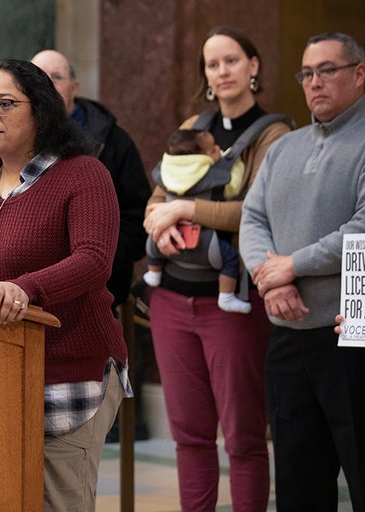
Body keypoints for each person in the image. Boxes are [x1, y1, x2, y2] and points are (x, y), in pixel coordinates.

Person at [0, 59, 129, 512]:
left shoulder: (83, 174)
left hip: (68, 367)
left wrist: (25, 288)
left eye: (5, 104)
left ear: (42, 111)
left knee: (56, 503)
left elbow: (93, 261)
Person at [142, 26, 293, 511]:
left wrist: (183, 212)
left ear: (253, 66)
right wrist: (157, 220)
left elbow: (255, 211)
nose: (222, 71)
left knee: (245, 438)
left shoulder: (275, 133)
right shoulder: (195, 123)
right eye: (212, 64)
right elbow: (159, 194)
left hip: (232, 302)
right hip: (170, 299)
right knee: (189, 437)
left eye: (232, 60)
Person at [240, 32, 365, 511]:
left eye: (327, 70)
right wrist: (269, 280)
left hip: (350, 337)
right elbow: (253, 219)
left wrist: (292, 264)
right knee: (297, 484)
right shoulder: (284, 148)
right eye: (307, 73)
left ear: (358, 74)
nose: (315, 82)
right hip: (288, 336)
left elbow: (361, 228)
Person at [31, 49, 150, 309]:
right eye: (39, 77)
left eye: (56, 77)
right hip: (25, 291)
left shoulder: (114, 142)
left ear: (74, 87)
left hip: (95, 293)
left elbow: (137, 218)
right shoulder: (14, 140)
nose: (48, 85)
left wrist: (98, 259)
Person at [144, 128, 252, 314]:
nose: (218, 149)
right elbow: (234, 188)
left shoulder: (167, 174)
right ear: (201, 159)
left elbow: (154, 205)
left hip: (165, 241)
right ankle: (226, 296)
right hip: (206, 242)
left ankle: (153, 273)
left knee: (151, 244)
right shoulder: (214, 178)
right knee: (231, 259)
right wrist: (236, 165)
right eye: (212, 150)